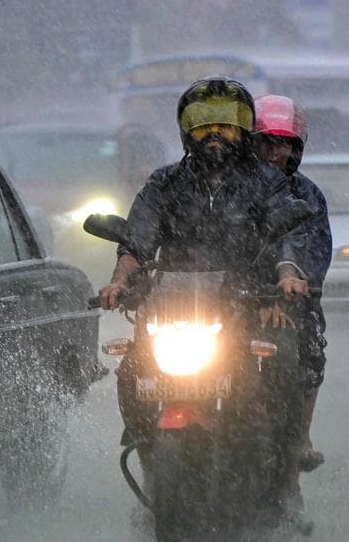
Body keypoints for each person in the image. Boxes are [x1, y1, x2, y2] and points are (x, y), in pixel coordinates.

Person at [97, 77, 312, 515]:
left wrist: (287, 276)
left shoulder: (266, 183)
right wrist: (120, 282)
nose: (215, 135)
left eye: (228, 125)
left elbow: (286, 237)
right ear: (185, 130)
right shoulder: (164, 183)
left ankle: (283, 476)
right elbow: (136, 241)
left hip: (246, 304)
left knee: (287, 358)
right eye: (203, 125)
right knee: (130, 368)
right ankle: (146, 453)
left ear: (244, 130)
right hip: (173, 308)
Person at [250, 95, 331, 484]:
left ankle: (299, 435)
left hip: (288, 300)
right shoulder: (230, 188)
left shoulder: (308, 195)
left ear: (296, 149)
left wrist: (289, 292)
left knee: (311, 345)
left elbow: (314, 255)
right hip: (226, 296)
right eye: (265, 141)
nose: (274, 152)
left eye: (283, 143)